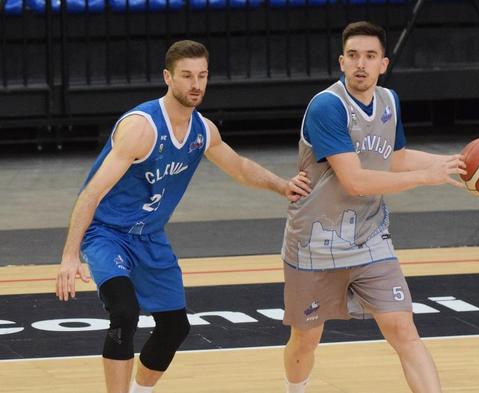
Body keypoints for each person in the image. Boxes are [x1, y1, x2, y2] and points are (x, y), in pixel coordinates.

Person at [55, 40, 311, 393]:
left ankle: (140, 390)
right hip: (107, 233)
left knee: (175, 327)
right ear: (168, 77)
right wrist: (70, 255)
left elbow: (239, 167)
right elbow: (91, 194)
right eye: (187, 76)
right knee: (125, 313)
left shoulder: (202, 131)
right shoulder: (141, 127)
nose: (196, 84)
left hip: (150, 236)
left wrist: (282, 186)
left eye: (202, 76)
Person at [281, 21, 466, 393]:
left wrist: (451, 162)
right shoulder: (327, 107)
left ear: (384, 63)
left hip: (369, 238)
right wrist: (425, 178)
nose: (360, 64)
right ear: (341, 62)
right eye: (353, 56)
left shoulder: (389, 101)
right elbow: (356, 180)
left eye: (369, 56)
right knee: (307, 339)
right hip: (316, 244)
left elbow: (394, 159)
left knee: (403, 329)